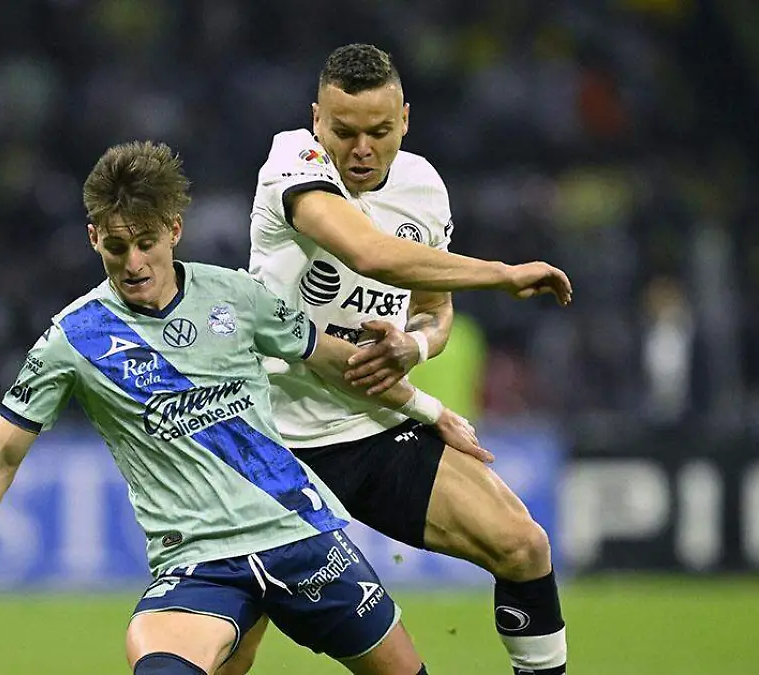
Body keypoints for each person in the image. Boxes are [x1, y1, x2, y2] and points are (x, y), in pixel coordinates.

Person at [0, 141, 486, 675]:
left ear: (174, 230)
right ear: (94, 237)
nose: (134, 263)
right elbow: (1, 456)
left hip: (302, 534)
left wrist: (429, 410)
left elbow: (336, 361)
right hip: (198, 563)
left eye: (146, 243)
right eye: (116, 246)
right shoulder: (75, 338)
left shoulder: (237, 295)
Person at [228, 44, 571, 675]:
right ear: (316, 121)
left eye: (380, 132)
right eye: (344, 131)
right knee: (233, 652)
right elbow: (371, 255)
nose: (361, 149)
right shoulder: (291, 161)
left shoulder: (423, 187)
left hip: (374, 430)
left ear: (405, 120)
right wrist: (501, 274)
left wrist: (414, 344)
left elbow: (433, 310)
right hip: (273, 444)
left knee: (522, 545)